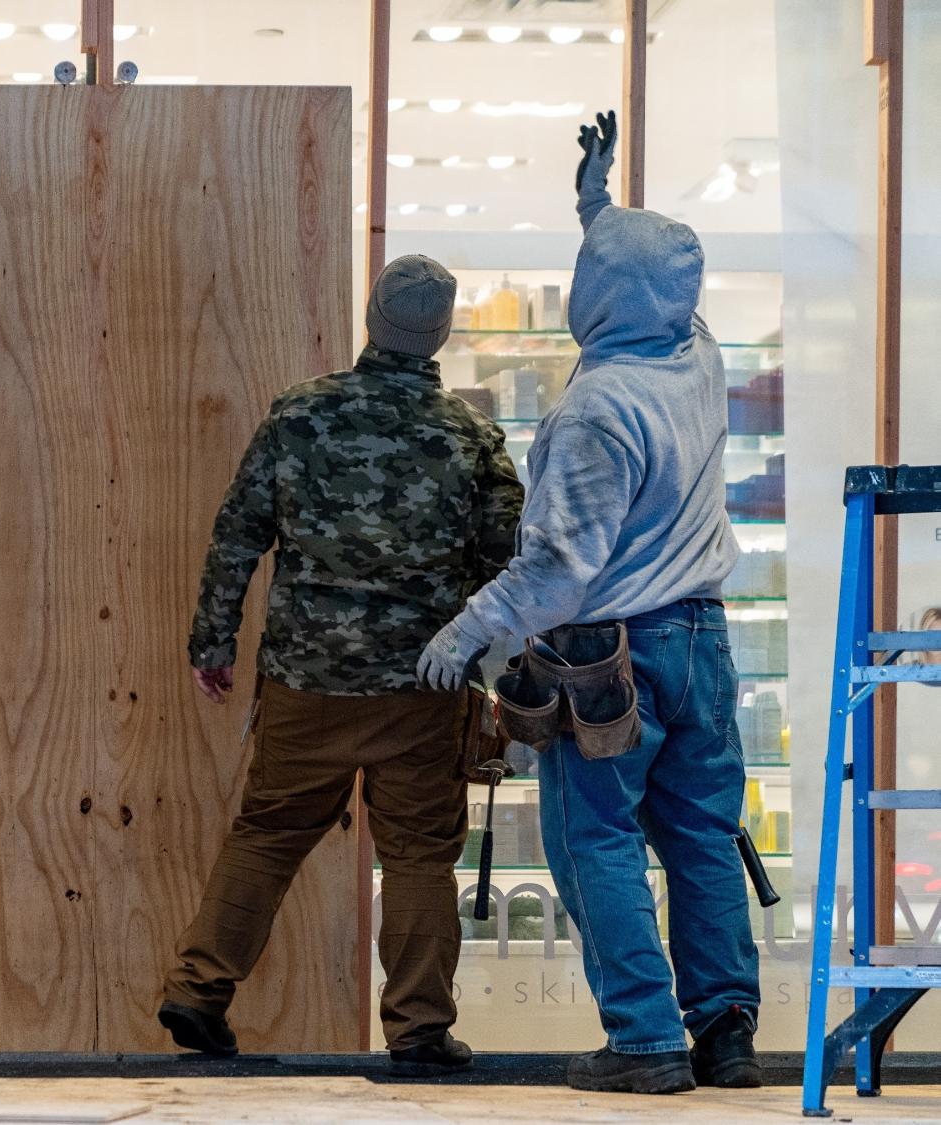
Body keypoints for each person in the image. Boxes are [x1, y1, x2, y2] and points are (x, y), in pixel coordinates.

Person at [418, 111, 761, 1094]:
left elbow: (560, 573)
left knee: (596, 839)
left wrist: (466, 632)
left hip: (612, 659)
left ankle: (647, 1043)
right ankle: (726, 1033)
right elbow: (649, 279)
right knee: (701, 834)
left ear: (594, 294)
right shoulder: (696, 351)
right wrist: (596, 207)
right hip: (704, 640)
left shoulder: (592, 413)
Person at [159, 255, 524, 1073]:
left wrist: (211, 644)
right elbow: (512, 559)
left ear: (371, 317)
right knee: (421, 855)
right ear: (441, 333)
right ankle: (420, 1028)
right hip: (426, 689)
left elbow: (237, 533)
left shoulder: (299, 413)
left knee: (266, 834)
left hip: (305, 680)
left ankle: (199, 989)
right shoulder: (470, 436)